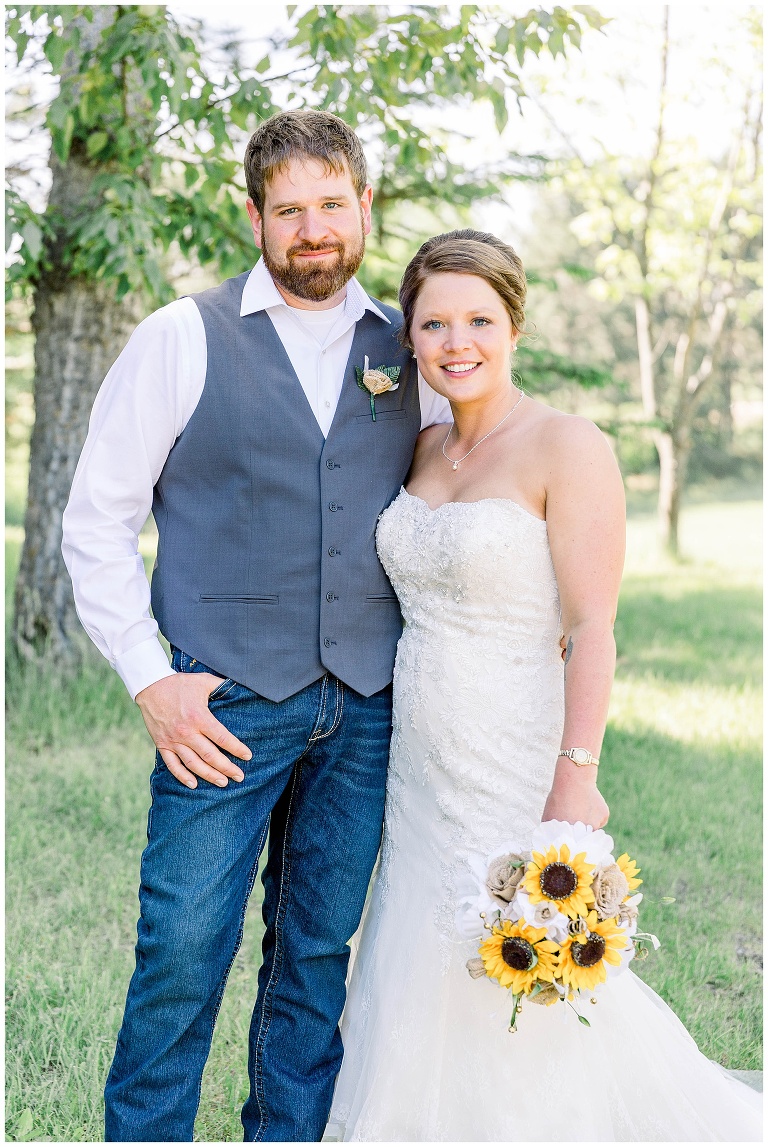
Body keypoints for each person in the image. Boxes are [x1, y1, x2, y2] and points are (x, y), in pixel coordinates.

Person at [61, 109, 451, 1142]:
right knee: (183, 950)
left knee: (317, 955)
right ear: (255, 216)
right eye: (290, 209)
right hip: (220, 699)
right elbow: (94, 522)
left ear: (364, 205)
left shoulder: (412, 348)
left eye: (332, 204)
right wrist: (152, 678)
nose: (313, 229)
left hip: (365, 705)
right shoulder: (181, 337)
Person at [327, 230, 762, 1142]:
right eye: (435, 322)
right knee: (417, 937)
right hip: (416, 756)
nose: (458, 341)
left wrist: (577, 770)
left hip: (515, 748)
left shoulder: (568, 444)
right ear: (408, 338)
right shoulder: (418, 445)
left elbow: (594, 625)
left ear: (513, 323)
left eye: (479, 318)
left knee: (515, 936)